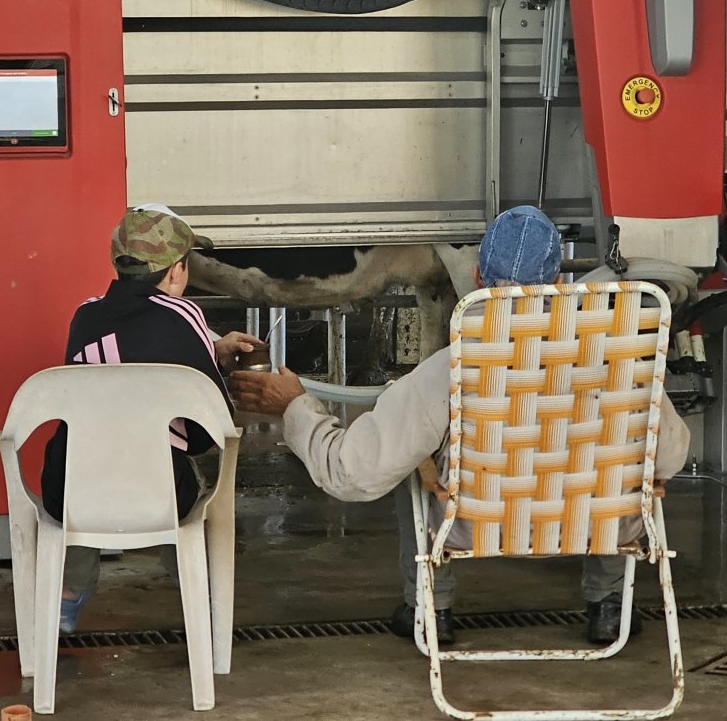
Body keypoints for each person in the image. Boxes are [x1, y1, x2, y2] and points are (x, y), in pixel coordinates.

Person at [231, 206, 691, 646]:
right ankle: (609, 604)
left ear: (476, 279)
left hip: (471, 526)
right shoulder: (623, 363)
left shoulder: (450, 369)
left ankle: (430, 608)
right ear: (556, 282)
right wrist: (650, 476)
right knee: (618, 462)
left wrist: (296, 407)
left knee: (414, 463)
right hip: (600, 525)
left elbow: (354, 473)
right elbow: (669, 454)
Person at [41, 203, 261, 634]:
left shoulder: (85, 315)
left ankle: (68, 597)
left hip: (68, 494)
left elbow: (128, 356)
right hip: (155, 499)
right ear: (177, 271)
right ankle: (202, 600)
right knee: (182, 477)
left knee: (86, 462)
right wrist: (216, 362)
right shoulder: (185, 314)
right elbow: (207, 432)